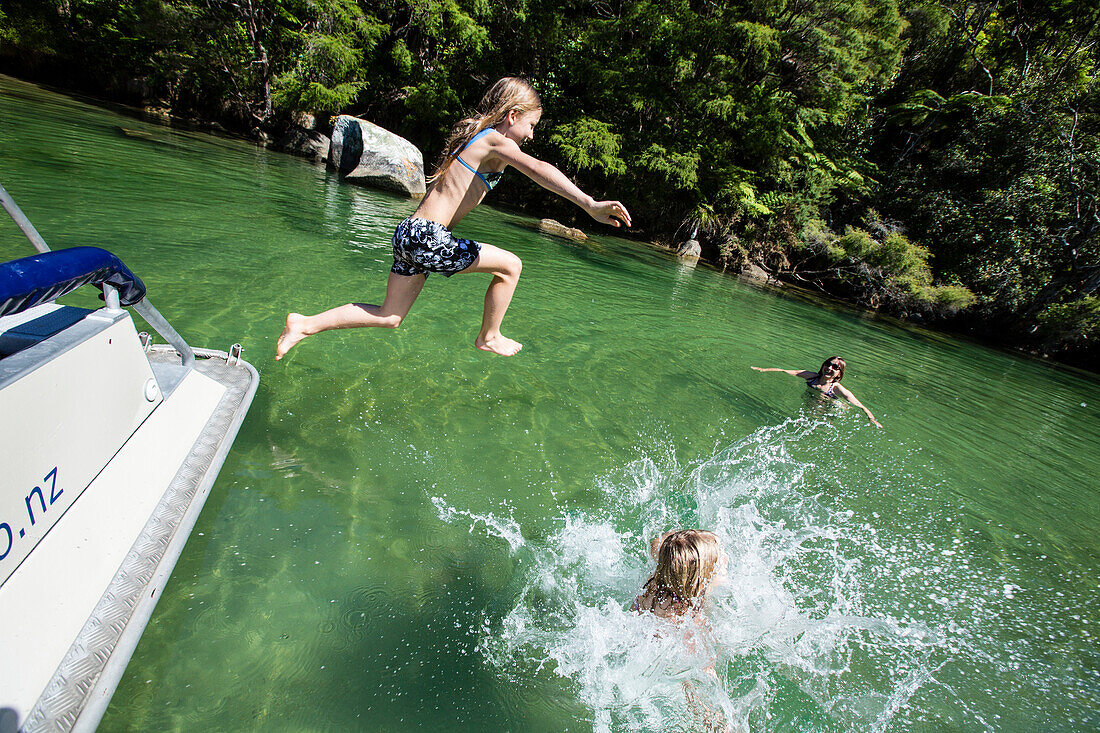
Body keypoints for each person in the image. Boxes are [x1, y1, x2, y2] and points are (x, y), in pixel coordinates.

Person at [276, 77, 632, 359]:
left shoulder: (480, 141)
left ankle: (304, 324)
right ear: (512, 116)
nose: (532, 135)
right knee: (511, 266)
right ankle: (488, 336)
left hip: (409, 234)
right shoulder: (493, 140)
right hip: (427, 236)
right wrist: (589, 204)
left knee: (390, 316)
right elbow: (538, 169)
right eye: (531, 125)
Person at [750, 357, 882, 427]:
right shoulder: (812, 377)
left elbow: (860, 405)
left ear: (839, 373)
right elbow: (788, 371)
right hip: (813, 399)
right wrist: (763, 369)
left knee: (815, 420)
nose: (829, 368)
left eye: (835, 367)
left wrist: (872, 419)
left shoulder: (837, 389)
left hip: (829, 405)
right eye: (828, 364)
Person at [633, 529, 728, 619]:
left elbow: (655, 545)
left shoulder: (667, 567)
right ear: (698, 574)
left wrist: (679, 539)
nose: (726, 559)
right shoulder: (679, 614)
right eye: (719, 560)